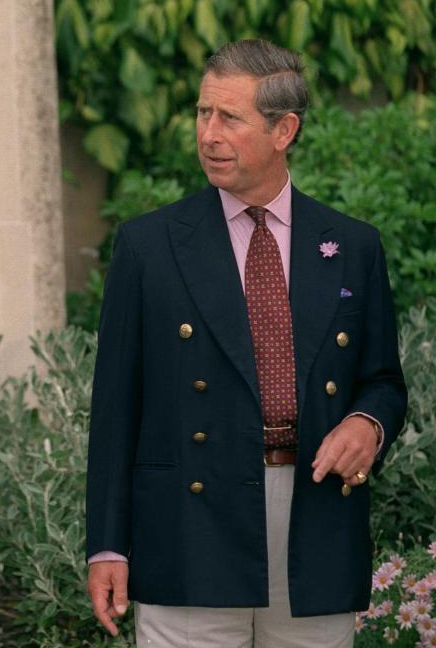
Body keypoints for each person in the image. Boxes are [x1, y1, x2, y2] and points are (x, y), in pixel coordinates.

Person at [85, 39, 407, 647]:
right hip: (187, 529)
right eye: (203, 113)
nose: (209, 134)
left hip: (314, 522)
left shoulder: (352, 246)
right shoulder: (147, 247)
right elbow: (114, 411)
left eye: (229, 118)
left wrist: (367, 423)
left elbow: (384, 380)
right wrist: (106, 543)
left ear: (284, 129)